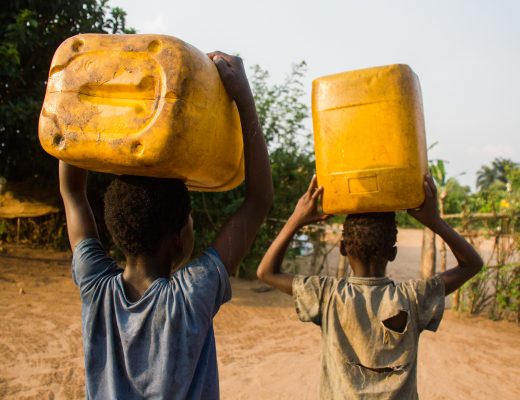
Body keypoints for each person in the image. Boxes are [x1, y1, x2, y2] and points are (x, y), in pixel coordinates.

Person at [60, 52, 273, 399]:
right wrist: (244, 99)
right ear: (176, 239)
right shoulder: (192, 296)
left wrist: (77, 97)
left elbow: (71, 192)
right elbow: (259, 199)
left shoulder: (96, 288)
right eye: (189, 221)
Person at [257, 174, 482, 399]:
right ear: (393, 253)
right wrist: (435, 221)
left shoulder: (327, 295)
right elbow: (472, 264)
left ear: (343, 248)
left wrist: (296, 219)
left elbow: (266, 272)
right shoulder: (413, 298)